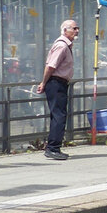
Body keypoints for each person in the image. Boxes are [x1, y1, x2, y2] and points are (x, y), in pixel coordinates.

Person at [35, 19, 80, 160]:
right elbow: (51, 66)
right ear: (65, 30)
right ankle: (53, 148)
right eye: (74, 28)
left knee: (58, 115)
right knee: (59, 115)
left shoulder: (66, 45)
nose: (77, 31)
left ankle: (54, 147)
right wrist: (44, 82)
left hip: (59, 83)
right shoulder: (62, 46)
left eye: (77, 28)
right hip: (56, 83)